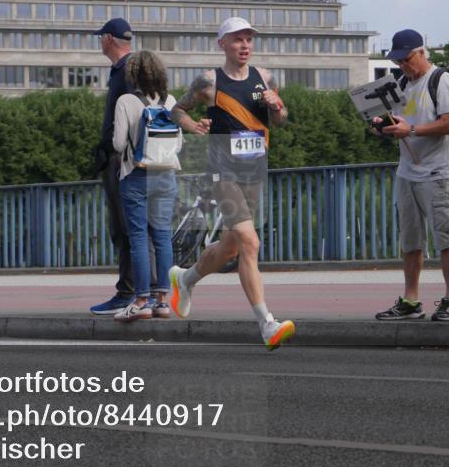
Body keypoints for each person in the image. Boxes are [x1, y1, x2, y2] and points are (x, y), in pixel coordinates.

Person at [168, 17, 295, 350]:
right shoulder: (209, 81)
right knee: (250, 243)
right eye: (238, 39)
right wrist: (193, 124)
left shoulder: (264, 77)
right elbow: (177, 110)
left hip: (253, 170)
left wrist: (277, 108)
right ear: (222, 43)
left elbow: (281, 121)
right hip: (220, 172)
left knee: (231, 247)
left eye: (249, 39)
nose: (245, 45)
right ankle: (267, 324)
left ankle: (184, 278)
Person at [371, 29, 449, 321]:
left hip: (436, 170)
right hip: (407, 171)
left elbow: (448, 124)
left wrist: (410, 130)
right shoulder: (400, 83)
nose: (403, 65)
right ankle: (411, 299)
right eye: (398, 61)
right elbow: (398, 121)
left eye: (407, 59)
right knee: (410, 239)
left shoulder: (441, 79)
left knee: (445, 237)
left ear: (422, 52)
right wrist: (383, 126)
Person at [89, 17, 155, 315]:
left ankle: (131, 291)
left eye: (100, 37)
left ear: (108, 39)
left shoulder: (126, 70)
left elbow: (139, 111)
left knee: (126, 226)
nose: (99, 42)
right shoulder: (133, 67)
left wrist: (124, 150)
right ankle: (147, 291)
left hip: (124, 161)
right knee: (138, 227)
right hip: (130, 158)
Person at [110, 50, 182, 321]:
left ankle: (141, 301)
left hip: (136, 175)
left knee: (139, 238)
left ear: (133, 75)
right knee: (162, 236)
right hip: (166, 175)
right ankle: (163, 301)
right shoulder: (171, 101)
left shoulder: (126, 101)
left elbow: (118, 144)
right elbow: (179, 144)